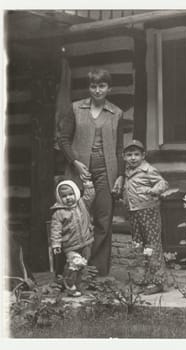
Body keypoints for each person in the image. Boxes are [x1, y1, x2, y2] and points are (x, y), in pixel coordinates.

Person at [58, 68, 124, 276]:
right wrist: (75, 162)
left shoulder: (116, 113)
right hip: (80, 170)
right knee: (73, 219)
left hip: (107, 171)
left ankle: (97, 274)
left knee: (103, 221)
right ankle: (69, 273)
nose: (97, 90)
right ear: (89, 88)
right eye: (93, 86)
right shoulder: (75, 109)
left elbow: (120, 148)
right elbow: (63, 139)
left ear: (109, 88)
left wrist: (121, 175)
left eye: (102, 86)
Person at [118, 139, 169, 295]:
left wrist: (154, 190)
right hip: (134, 212)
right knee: (138, 245)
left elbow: (163, 183)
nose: (133, 158)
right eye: (129, 155)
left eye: (136, 154)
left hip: (148, 210)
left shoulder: (148, 170)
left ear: (143, 155)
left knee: (152, 244)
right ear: (124, 156)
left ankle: (158, 281)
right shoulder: (126, 171)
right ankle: (141, 279)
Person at [50, 180, 95, 296]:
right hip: (70, 245)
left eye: (71, 194)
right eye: (64, 196)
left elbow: (90, 197)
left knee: (82, 265)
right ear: (59, 198)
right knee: (75, 263)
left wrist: (88, 185)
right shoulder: (59, 213)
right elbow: (55, 230)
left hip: (86, 242)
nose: (68, 198)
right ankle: (69, 285)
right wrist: (56, 244)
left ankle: (78, 284)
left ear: (76, 193)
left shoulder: (81, 204)